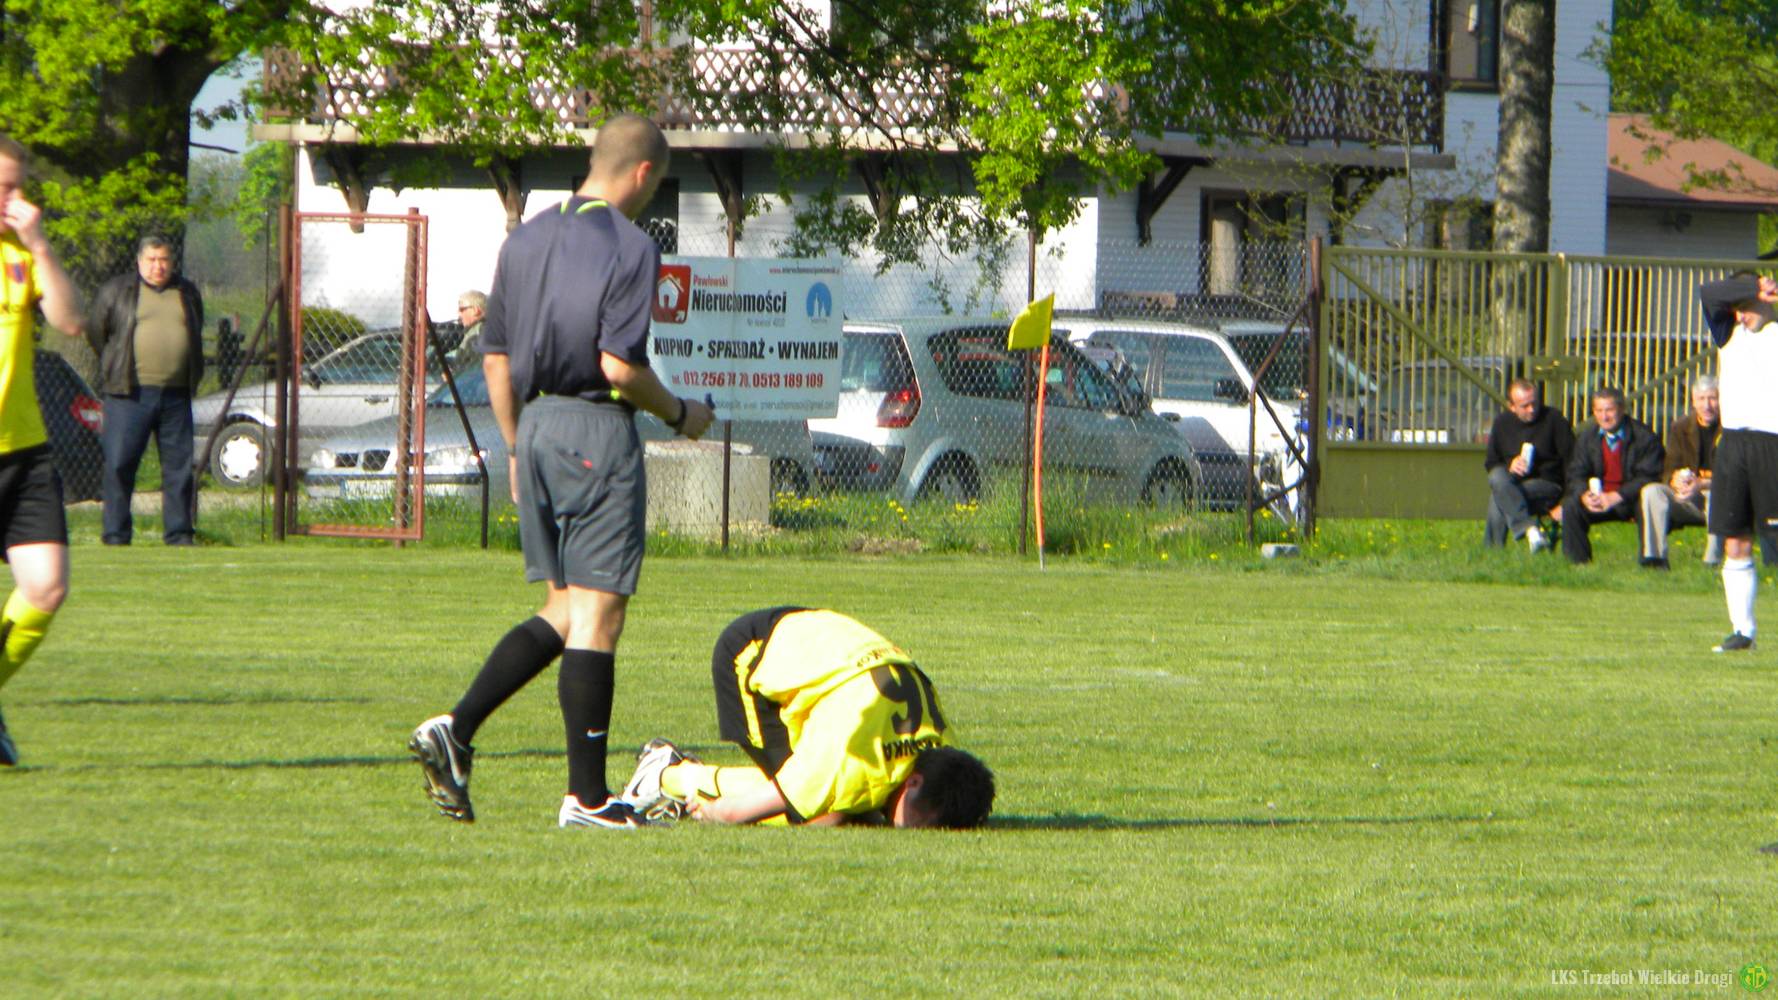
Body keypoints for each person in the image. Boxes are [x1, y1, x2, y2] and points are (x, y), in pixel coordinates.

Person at [408, 114, 714, 828]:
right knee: (599, 615)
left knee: (566, 609)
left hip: (537, 427)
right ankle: (587, 797)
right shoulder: (631, 246)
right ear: (644, 173)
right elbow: (617, 366)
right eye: (657, 184)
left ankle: (457, 730)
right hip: (594, 429)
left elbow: (495, 360)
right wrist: (680, 414)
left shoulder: (523, 239)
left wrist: (517, 448)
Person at [619, 606, 996, 829]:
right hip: (750, 654)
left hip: (812, 636)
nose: (912, 831)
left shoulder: (941, 748)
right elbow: (734, 813)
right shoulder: (853, 761)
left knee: (843, 807)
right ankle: (666, 774)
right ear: (913, 782)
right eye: (918, 824)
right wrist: (710, 811)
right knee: (816, 815)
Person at [0, 135, 86, 764]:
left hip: (24, 449)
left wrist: (41, 246)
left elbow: (70, 321)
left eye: (15, 186)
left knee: (47, 587)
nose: (11, 197)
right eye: (1, 186)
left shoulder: (23, 254)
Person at [86, 235, 205, 546]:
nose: (158, 266)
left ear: (172, 262)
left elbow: (195, 330)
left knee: (179, 469)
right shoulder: (117, 291)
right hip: (129, 395)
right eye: (151, 260)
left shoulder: (187, 292)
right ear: (139, 261)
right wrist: (117, 366)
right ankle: (116, 534)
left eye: (163, 260)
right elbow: (97, 333)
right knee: (119, 464)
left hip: (176, 396)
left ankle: (179, 534)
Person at [1697, 272, 1778, 652]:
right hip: (1733, 446)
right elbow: (1708, 292)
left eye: (1746, 307)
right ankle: (1743, 631)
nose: (1740, 314)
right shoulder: (1728, 332)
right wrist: (1752, 289)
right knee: (1735, 540)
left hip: (1772, 443)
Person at [1558, 386, 1664, 565]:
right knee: (1571, 506)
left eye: (1609, 410)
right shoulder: (1587, 438)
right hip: (1598, 498)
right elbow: (1575, 474)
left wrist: (1617, 496)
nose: (1604, 416)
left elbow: (1649, 476)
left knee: (1648, 503)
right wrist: (1584, 495)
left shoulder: (1644, 437)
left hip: (1631, 499)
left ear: (1622, 409)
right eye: (1599, 411)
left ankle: (1651, 563)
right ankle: (1578, 565)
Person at [1637, 374, 1722, 569]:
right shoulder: (1680, 427)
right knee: (1652, 491)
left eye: (1712, 398)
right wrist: (1675, 480)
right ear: (1693, 401)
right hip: (1687, 495)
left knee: (1717, 494)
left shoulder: (1730, 428)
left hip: (1716, 494)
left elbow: (1734, 475)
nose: (1707, 405)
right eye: (1701, 399)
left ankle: (1712, 560)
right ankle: (1655, 558)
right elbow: (1669, 467)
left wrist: (1702, 483)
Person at [1482, 378, 1574, 552]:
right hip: (1513, 482)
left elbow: (1572, 461)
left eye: (1534, 403)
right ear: (1512, 406)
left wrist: (1566, 501)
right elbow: (1491, 462)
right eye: (1525, 406)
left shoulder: (1554, 419)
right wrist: (1510, 465)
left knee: (1499, 496)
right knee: (1497, 477)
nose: (1532, 409)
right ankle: (1530, 530)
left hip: (1547, 484)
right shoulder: (1502, 423)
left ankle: (1493, 551)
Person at [446, 289, 485, 373]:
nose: (459, 314)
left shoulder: (480, 331)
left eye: (461, 309)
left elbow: (475, 365)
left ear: (475, 310)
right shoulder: (474, 331)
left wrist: (454, 374)